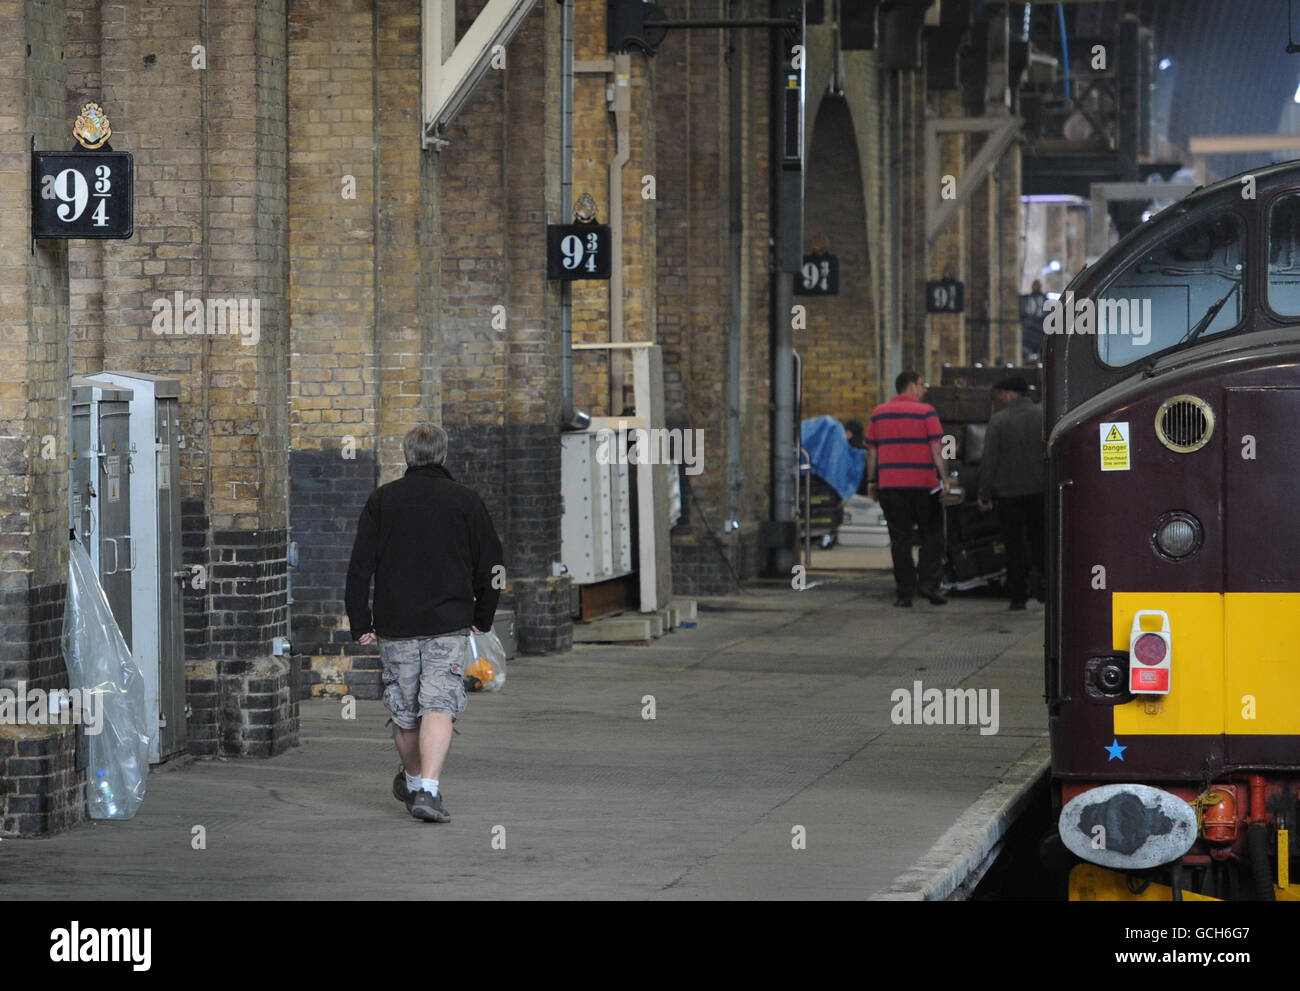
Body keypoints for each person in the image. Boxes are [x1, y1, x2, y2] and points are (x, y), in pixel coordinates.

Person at [345, 424, 504, 822]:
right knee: (438, 704)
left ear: (407, 455)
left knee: (406, 711)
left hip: (396, 622)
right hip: (449, 622)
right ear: (444, 455)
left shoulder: (382, 501)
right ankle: (428, 792)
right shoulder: (466, 502)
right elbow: (494, 566)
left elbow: (359, 567)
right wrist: (483, 615)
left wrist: (360, 620)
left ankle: (414, 782)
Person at [865, 371, 951, 607]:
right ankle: (928, 587)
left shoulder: (878, 413)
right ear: (911, 386)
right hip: (923, 486)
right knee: (931, 536)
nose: (924, 390)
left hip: (891, 487)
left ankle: (904, 594)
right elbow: (937, 447)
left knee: (900, 540)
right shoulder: (926, 412)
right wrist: (945, 479)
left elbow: (872, 452)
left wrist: (872, 482)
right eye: (922, 385)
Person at [977, 376, 1047, 610]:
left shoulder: (998, 421)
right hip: (1040, 491)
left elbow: (989, 461)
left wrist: (984, 494)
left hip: (1008, 495)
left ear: (1008, 394)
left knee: (1014, 546)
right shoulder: (1043, 416)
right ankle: (1046, 592)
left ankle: (1018, 597)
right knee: (1042, 542)